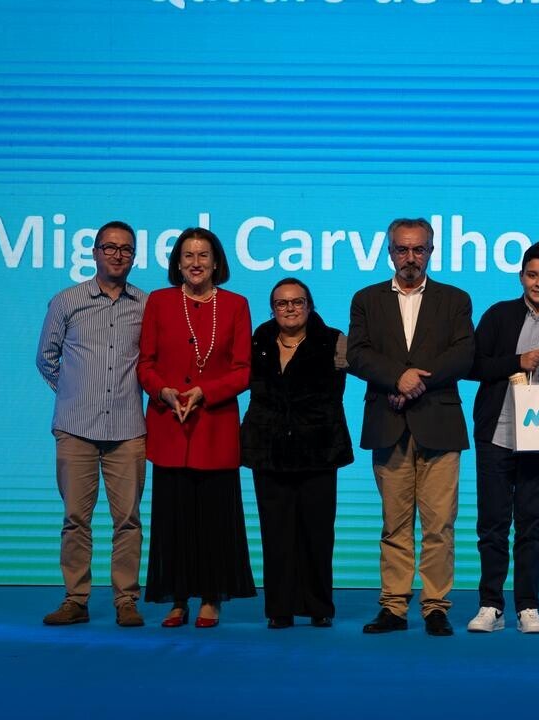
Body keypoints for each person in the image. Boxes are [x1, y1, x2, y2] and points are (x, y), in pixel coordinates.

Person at [347, 217, 475, 637]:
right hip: (388, 422)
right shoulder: (366, 299)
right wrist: (395, 378)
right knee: (395, 524)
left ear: (431, 252)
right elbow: (358, 354)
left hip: (439, 422)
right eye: (402, 249)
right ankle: (394, 606)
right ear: (389, 252)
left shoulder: (455, 299)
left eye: (418, 249)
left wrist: (415, 381)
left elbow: (463, 354)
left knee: (439, 526)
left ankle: (436, 606)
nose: (410, 257)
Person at [137, 227, 256, 628]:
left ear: (217, 262)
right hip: (170, 425)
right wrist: (163, 392)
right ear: (177, 262)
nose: (195, 262)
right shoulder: (159, 301)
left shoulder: (236, 305)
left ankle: (210, 597)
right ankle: (177, 598)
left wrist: (206, 392)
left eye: (203, 255)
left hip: (214, 428)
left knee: (214, 519)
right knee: (173, 519)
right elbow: (145, 364)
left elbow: (243, 370)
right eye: (187, 255)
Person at [36, 220, 148, 628]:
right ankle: (75, 600)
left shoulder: (146, 305)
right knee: (75, 520)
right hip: (75, 428)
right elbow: (46, 357)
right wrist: (74, 392)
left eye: (126, 249)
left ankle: (126, 600)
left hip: (128, 429)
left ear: (133, 257)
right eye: (110, 247)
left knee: (128, 521)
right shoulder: (67, 300)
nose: (118, 255)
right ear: (95, 252)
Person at [466, 241, 539, 634]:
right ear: (521, 276)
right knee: (492, 524)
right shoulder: (499, 315)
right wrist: (517, 362)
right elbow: (472, 366)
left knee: (532, 525)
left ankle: (528, 606)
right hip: (497, 434)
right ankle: (490, 606)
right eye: (532, 275)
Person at [240, 278, 353, 629]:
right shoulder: (258, 339)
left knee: (317, 533)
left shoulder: (334, 340)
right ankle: (280, 608)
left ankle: (319, 606)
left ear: (310, 305)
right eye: (282, 303)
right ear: (272, 308)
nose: (289, 308)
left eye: (297, 301)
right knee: (276, 533)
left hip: (318, 450)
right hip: (268, 450)